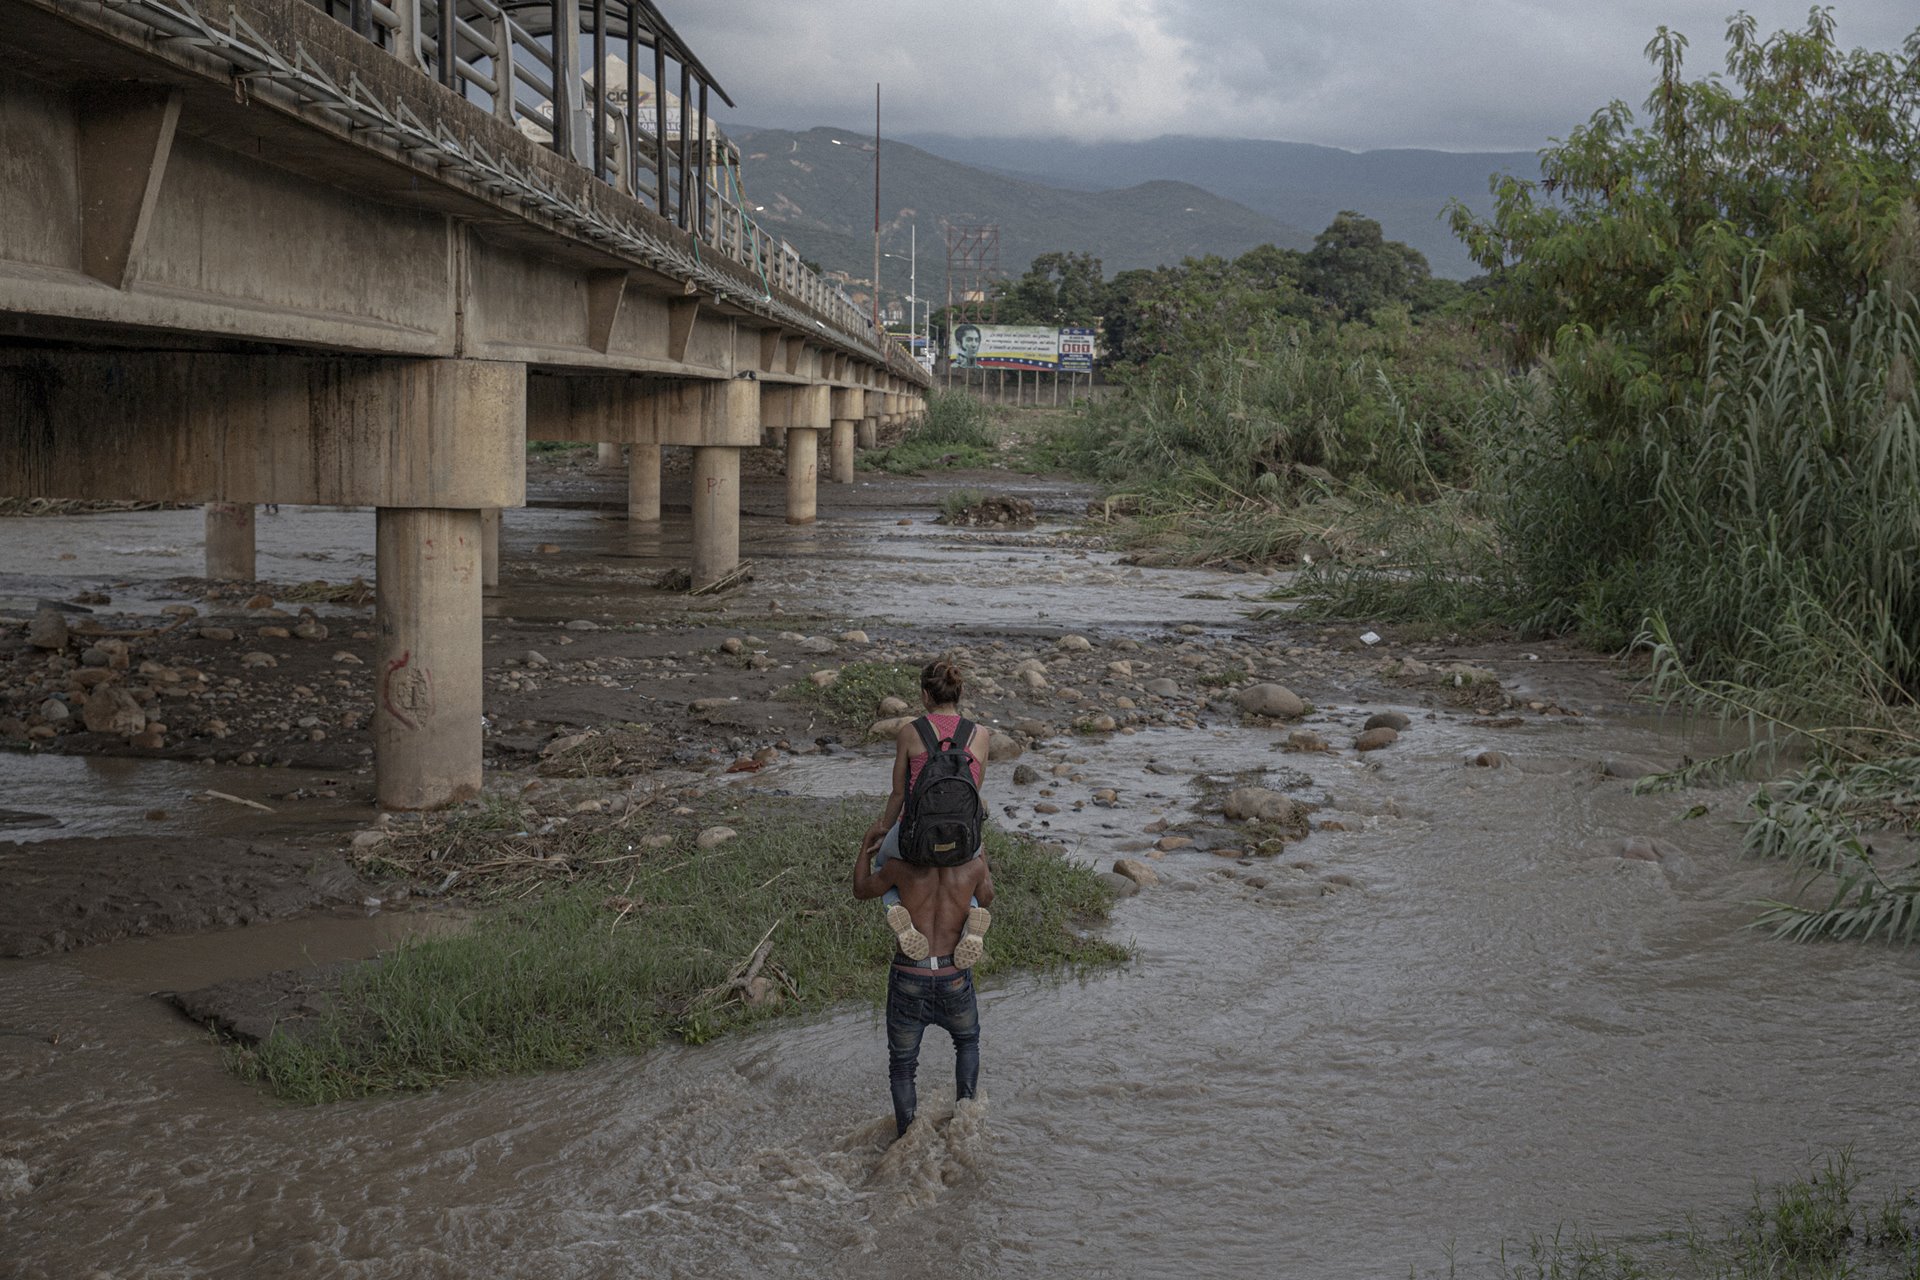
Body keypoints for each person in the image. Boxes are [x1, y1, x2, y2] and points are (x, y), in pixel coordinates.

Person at [853, 778, 996, 1139]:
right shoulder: (973, 868)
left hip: (909, 975)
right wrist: (980, 853)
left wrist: (865, 849)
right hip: (954, 973)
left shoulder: (900, 869)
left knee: (903, 1067)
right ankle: (966, 1121)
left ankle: (907, 1138)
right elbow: (989, 897)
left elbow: (860, 890)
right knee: (967, 1043)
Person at [859, 659, 991, 966]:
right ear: (961, 691)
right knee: (971, 873)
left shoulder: (910, 732)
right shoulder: (981, 735)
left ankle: (896, 911)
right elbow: (975, 793)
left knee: (882, 863)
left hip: (915, 839)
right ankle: (972, 917)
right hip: (964, 840)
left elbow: (899, 793)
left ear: (924, 695)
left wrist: (882, 830)